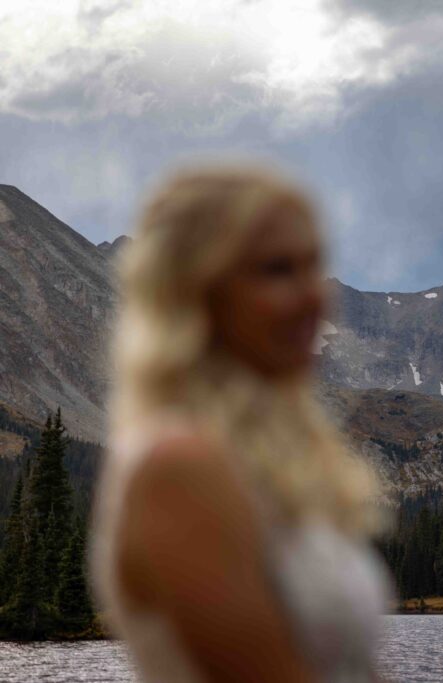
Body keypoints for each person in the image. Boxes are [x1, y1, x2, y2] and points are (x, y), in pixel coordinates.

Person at [90, 166, 390, 682]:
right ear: (197, 290)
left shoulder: (246, 456)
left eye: (313, 266)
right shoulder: (179, 464)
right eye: (277, 269)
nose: (314, 297)